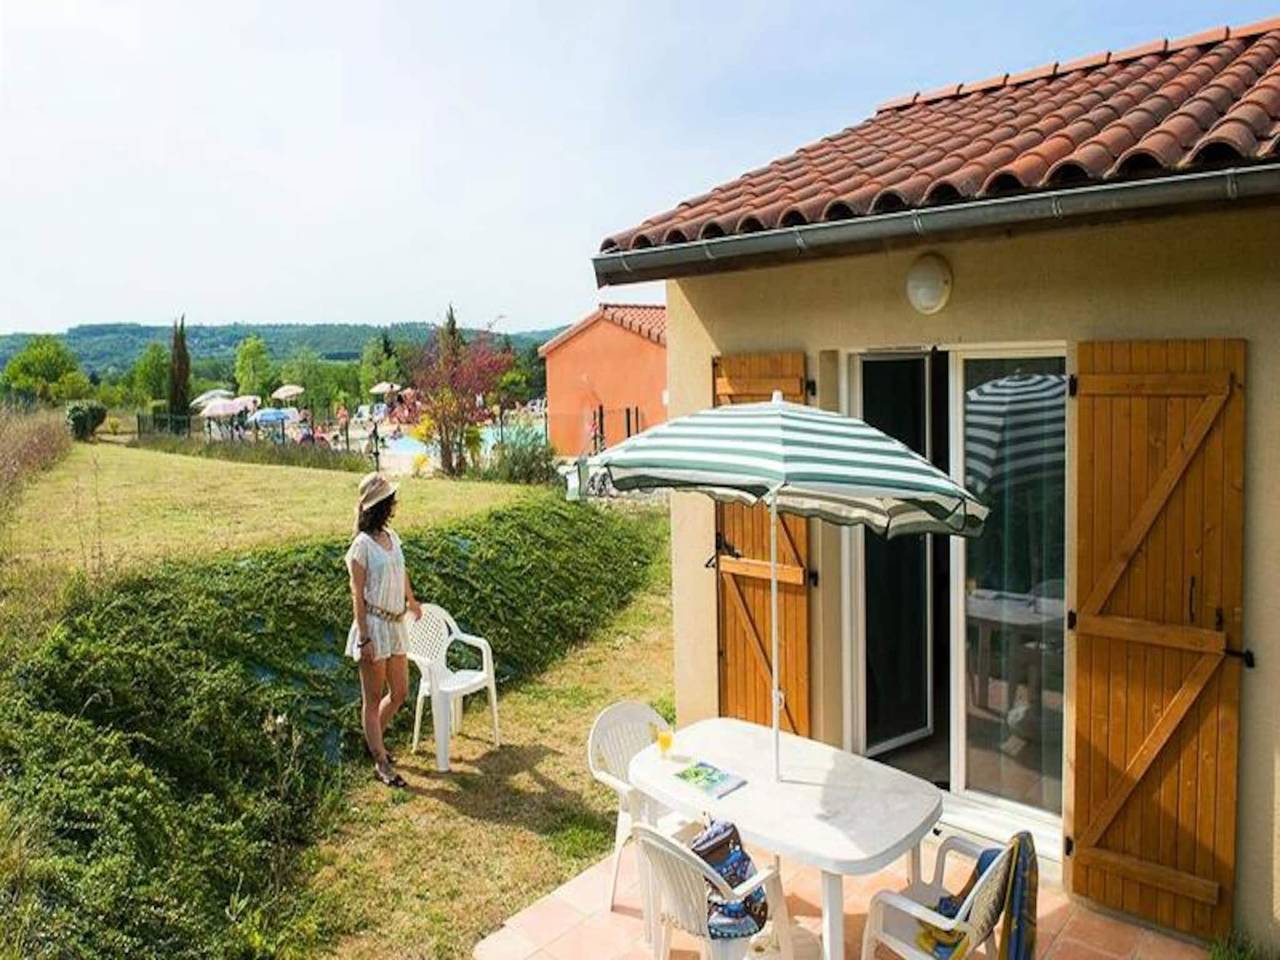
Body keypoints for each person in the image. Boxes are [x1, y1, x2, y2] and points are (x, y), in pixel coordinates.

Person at [345, 472, 422, 788]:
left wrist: (412, 601)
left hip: (395, 624)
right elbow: (356, 595)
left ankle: (373, 738)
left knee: (400, 691)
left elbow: (400, 571)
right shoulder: (360, 547)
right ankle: (380, 760)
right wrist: (364, 638)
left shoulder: (392, 537)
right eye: (390, 501)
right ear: (379, 505)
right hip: (374, 626)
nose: (394, 505)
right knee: (373, 698)